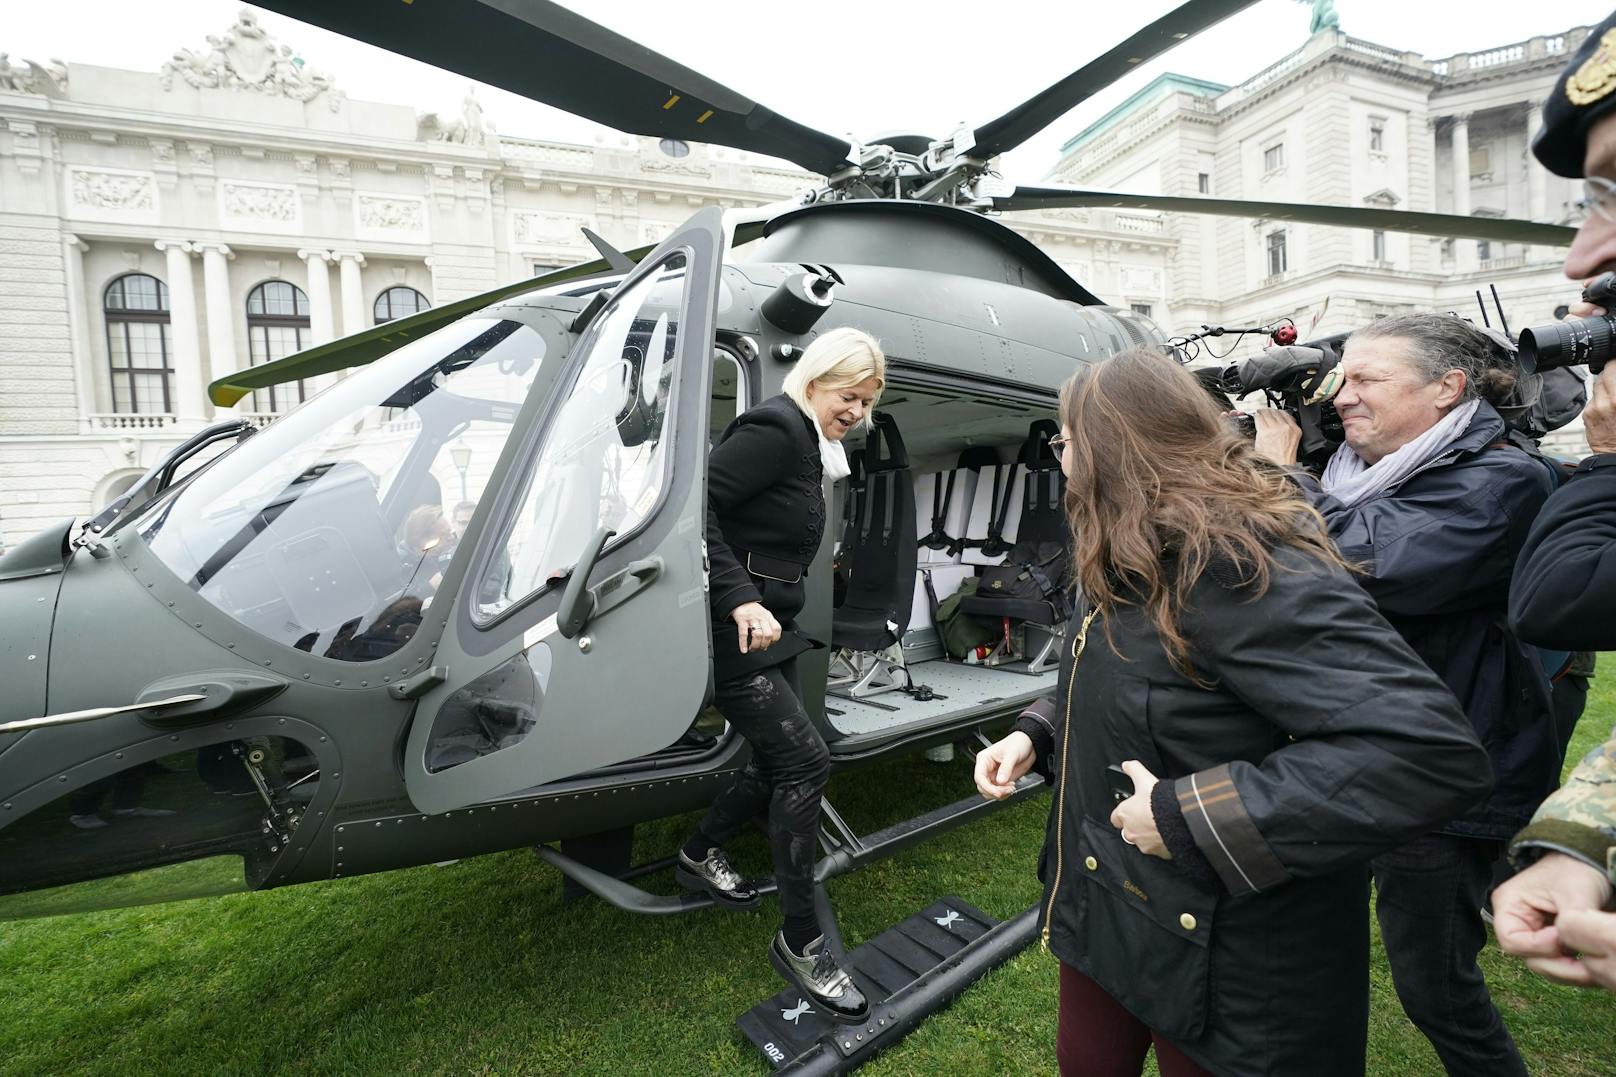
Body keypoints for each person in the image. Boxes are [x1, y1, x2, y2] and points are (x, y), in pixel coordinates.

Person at [974, 348, 1491, 1076]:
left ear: (1113, 444)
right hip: (1108, 903)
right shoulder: (1126, 542)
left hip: (1233, 952)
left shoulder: (1239, 561)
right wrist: (1039, 728)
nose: (1061, 458)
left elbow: (1421, 750)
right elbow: (1109, 662)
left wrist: (1192, 814)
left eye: (1066, 440)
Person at [1252, 313, 1557, 1076]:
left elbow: (1362, 561)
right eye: (1341, 378)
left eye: (1365, 381)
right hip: (1353, 751)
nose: (1340, 399)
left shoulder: (1504, 479)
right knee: (1305, 946)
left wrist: (1274, 472)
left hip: (1446, 771)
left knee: (1434, 986)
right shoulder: (1356, 469)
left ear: (1447, 388)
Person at [675, 327, 884, 1023]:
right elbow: (690, 507)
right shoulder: (777, 428)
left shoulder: (812, 442)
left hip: (773, 628)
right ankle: (802, 941)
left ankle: (701, 851)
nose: (856, 411)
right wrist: (739, 594)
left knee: (775, 762)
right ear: (818, 379)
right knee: (806, 761)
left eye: (867, 402)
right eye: (850, 395)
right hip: (735, 632)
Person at [1493, 11, 1616, 994]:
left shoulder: (1505, 474)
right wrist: (1582, 841)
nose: (1579, 262)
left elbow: (1555, 603)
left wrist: (1607, 461)